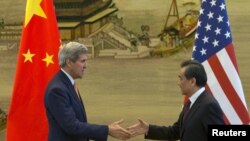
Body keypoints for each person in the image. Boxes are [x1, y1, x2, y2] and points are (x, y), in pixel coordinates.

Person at [44, 42, 131, 141]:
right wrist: (107, 130)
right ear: (69, 62)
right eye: (82, 61)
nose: (86, 66)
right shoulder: (57, 90)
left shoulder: (68, 83)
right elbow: (72, 126)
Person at [127, 59, 225, 141]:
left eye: (181, 79)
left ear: (192, 81)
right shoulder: (190, 103)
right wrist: (149, 129)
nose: (178, 83)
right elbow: (176, 131)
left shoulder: (209, 105)